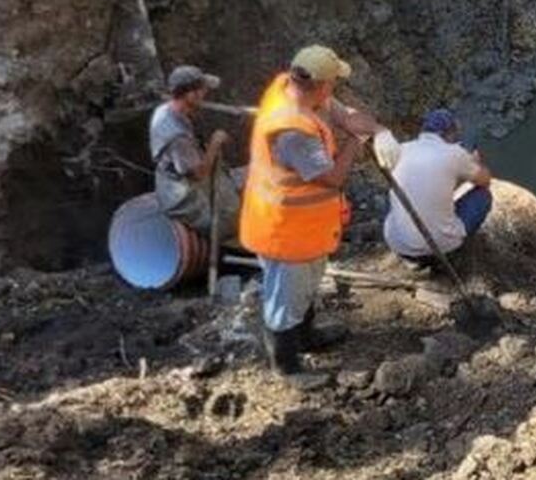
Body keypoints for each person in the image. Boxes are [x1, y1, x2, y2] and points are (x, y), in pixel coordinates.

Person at [239, 45, 401, 387]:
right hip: (283, 229)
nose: (336, 91)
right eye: (334, 84)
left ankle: (307, 335)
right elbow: (333, 177)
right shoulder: (292, 131)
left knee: (305, 286)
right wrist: (356, 143)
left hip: (303, 227)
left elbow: (348, 116)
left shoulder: (299, 88)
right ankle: (287, 367)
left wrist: (379, 130)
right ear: (323, 84)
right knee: (286, 296)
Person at [383, 108, 493, 270]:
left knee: (395, 193)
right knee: (483, 196)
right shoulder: (455, 153)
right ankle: (451, 254)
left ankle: (411, 258)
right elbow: (485, 181)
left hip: (399, 244)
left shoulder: (400, 149)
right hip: (440, 246)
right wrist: (475, 162)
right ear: (450, 133)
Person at [148, 65, 237, 237]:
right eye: (202, 91)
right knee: (230, 222)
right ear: (190, 95)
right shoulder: (176, 136)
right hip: (178, 191)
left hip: (181, 168)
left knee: (228, 187)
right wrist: (214, 143)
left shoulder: (166, 109)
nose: (205, 95)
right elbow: (199, 174)